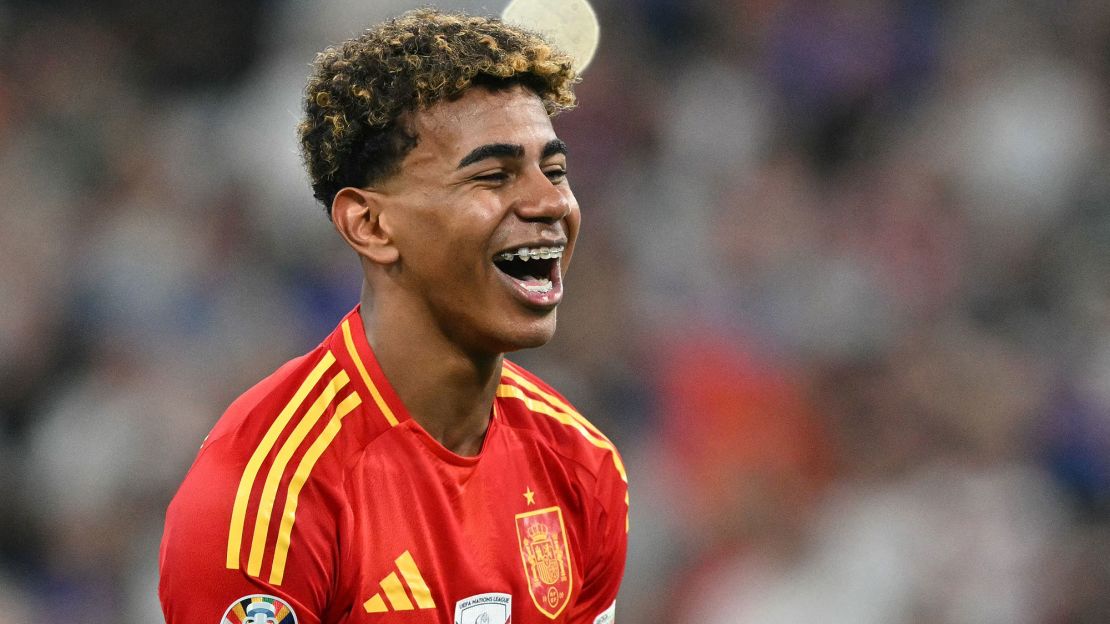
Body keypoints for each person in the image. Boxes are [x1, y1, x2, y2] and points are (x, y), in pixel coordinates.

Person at [158, 8, 628, 624]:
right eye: (493, 175)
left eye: (556, 170)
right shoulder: (270, 492)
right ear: (371, 225)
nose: (549, 202)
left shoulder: (580, 465)